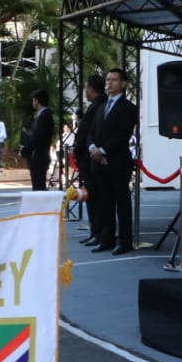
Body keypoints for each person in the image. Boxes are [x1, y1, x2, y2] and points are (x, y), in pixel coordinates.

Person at [86, 69, 139, 254]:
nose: (109, 83)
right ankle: (106, 238)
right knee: (104, 203)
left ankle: (125, 241)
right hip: (99, 164)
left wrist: (103, 150)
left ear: (123, 83)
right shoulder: (101, 107)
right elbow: (90, 132)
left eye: (114, 80)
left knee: (121, 204)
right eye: (108, 79)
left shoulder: (129, 108)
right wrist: (92, 148)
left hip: (118, 163)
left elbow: (122, 135)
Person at [75, 75, 105, 244]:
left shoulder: (98, 106)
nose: (85, 91)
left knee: (95, 197)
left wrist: (82, 147)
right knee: (93, 197)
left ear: (91, 89)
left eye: (87, 87)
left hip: (91, 158)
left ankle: (98, 231)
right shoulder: (97, 105)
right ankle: (96, 231)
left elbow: (89, 131)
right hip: (88, 156)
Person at [22, 89, 55, 193]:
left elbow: (36, 138)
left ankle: (41, 209)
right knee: (38, 186)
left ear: (36, 101)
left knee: (39, 188)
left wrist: (25, 149)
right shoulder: (43, 116)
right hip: (39, 157)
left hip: (39, 157)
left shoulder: (44, 117)